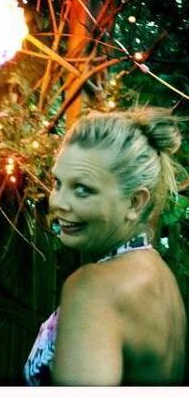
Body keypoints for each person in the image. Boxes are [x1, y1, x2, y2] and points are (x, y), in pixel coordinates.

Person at [24, 106, 187, 385]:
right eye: (58, 183)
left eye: (82, 189)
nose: (58, 202)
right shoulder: (161, 276)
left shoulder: (92, 288)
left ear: (135, 202)